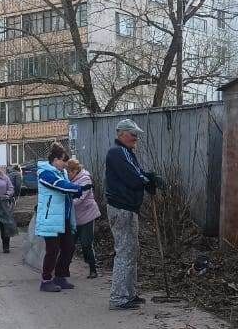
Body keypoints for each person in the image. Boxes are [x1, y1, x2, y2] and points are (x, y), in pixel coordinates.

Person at [104, 118, 164, 310]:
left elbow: (137, 173)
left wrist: (148, 178)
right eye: (132, 134)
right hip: (122, 208)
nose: (135, 138)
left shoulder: (125, 152)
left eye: (136, 134)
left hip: (126, 208)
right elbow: (133, 177)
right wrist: (149, 181)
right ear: (121, 134)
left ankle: (128, 293)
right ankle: (119, 297)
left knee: (131, 250)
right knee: (125, 251)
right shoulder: (118, 152)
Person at [36, 142, 88, 293]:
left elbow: (65, 185)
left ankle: (60, 276)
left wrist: (77, 189)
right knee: (52, 250)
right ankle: (46, 280)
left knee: (68, 247)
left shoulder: (61, 172)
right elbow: (58, 185)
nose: (66, 164)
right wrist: (78, 189)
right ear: (56, 160)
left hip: (63, 218)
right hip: (50, 219)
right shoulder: (44, 173)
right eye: (64, 161)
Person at [66, 158, 102, 278]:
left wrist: (65, 204)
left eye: (69, 172)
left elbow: (80, 199)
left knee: (86, 244)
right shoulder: (69, 180)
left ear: (75, 171)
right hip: (75, 218)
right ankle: (64, 269)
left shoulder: (85, 179)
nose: (68, 175)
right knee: (70, 244)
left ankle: (93, 269)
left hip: (87, 216)